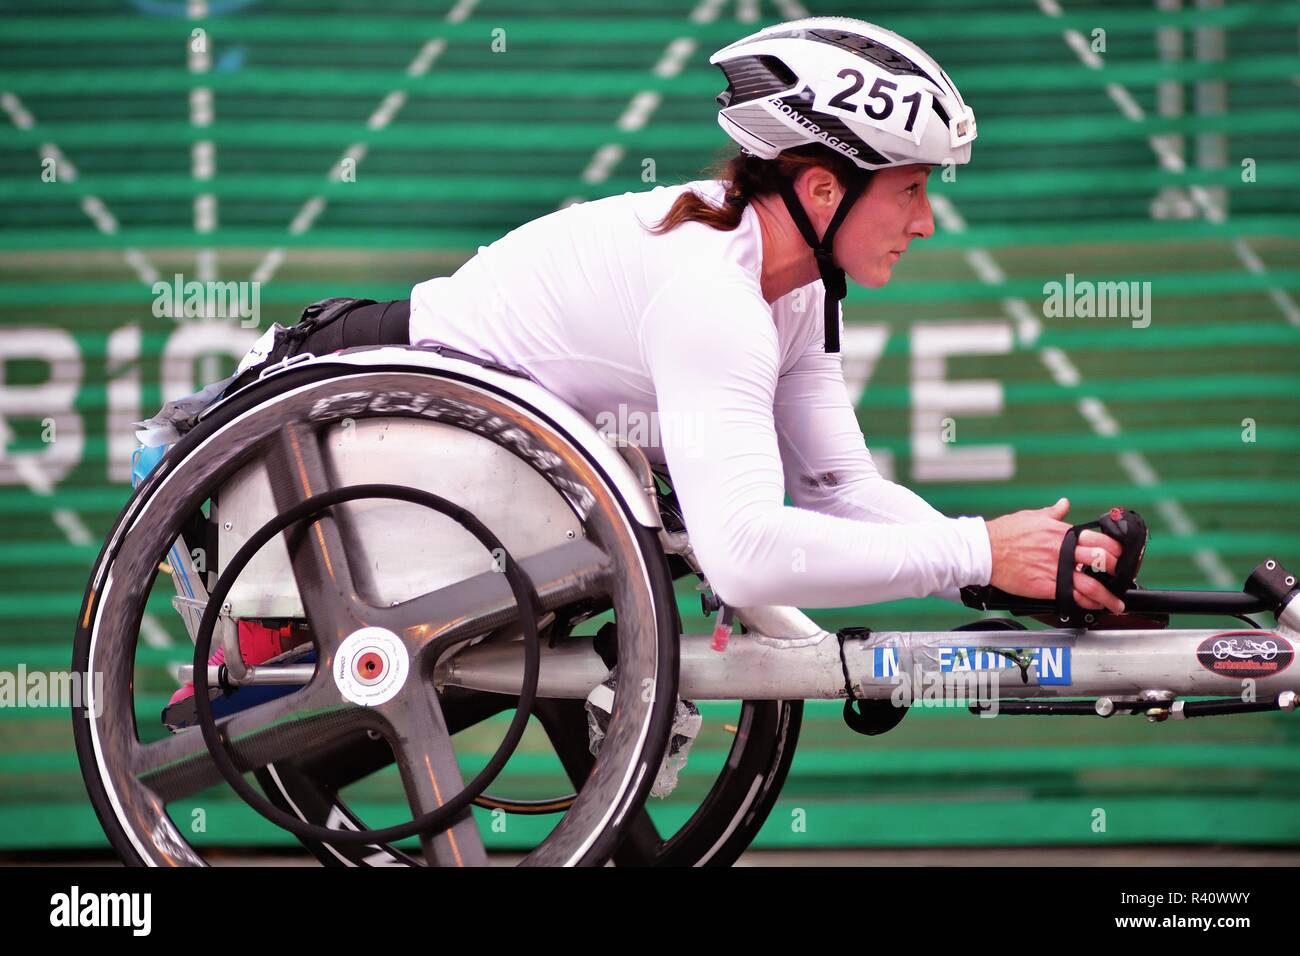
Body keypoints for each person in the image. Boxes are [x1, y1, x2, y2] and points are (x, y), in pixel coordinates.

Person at [233, 15, 1126, 616]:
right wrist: (972, 552)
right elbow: (740, 556)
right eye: (913, 190)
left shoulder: (795, 284)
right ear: (822, 187)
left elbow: (838, 492)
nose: (926, 222)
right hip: (337, 404)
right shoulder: (713, 293)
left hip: (435, 436)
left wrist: (1016, 566)